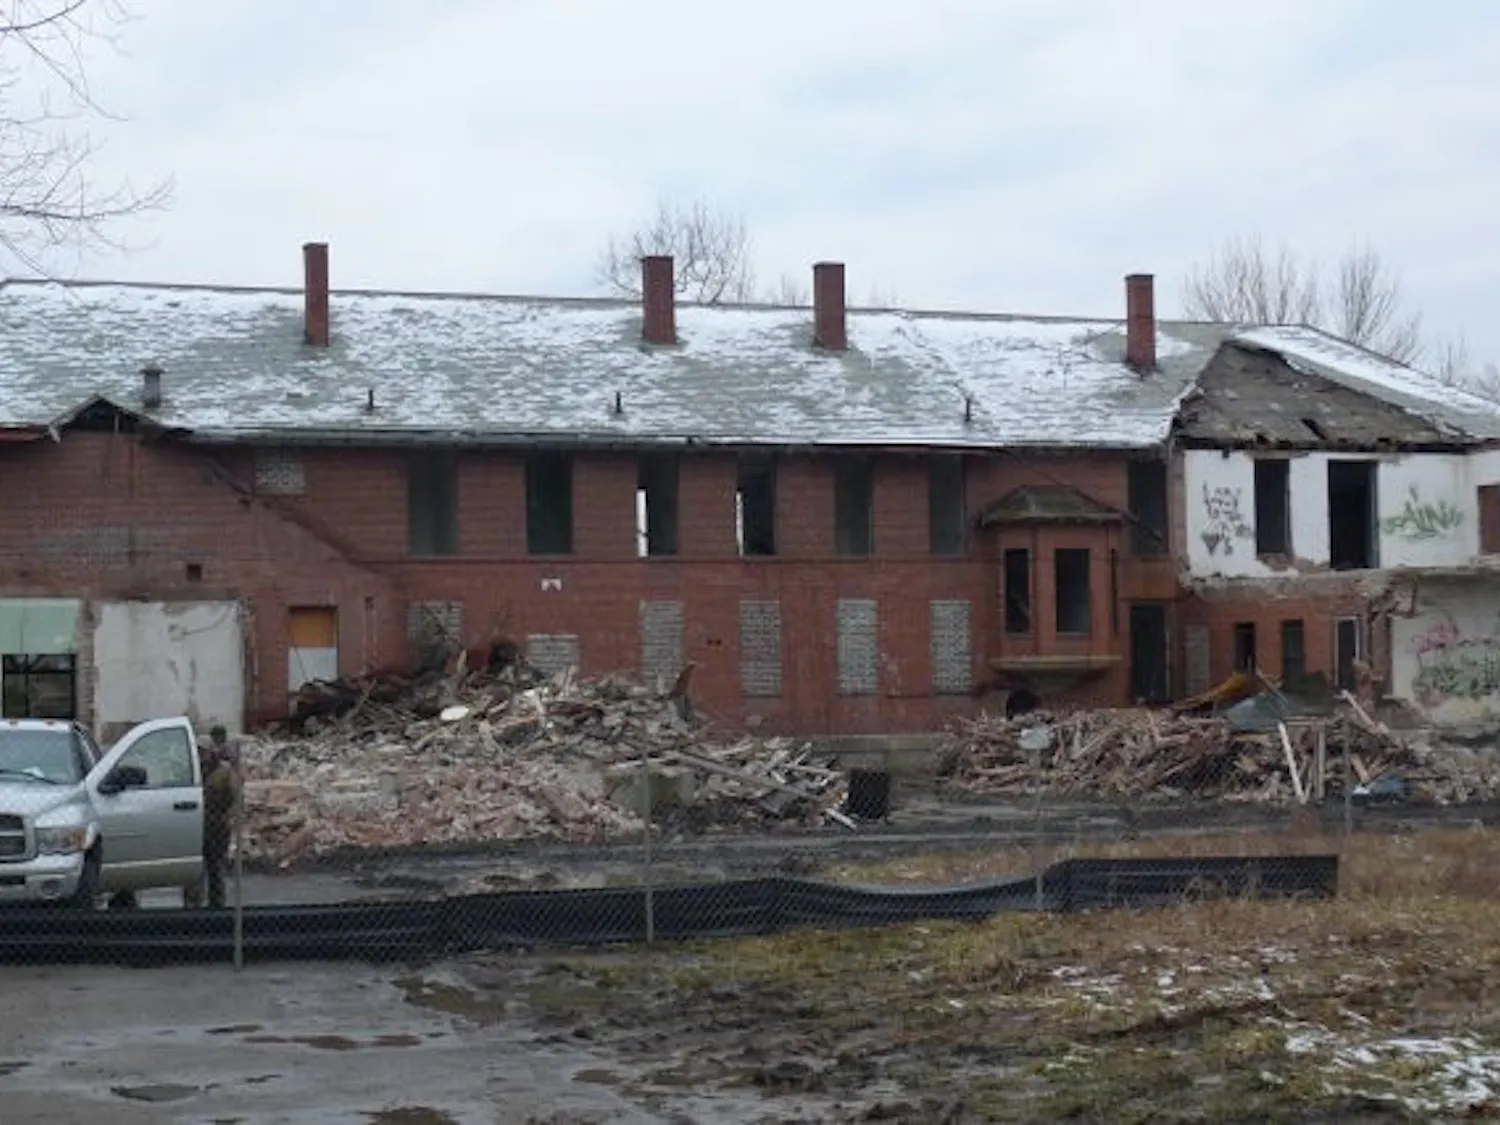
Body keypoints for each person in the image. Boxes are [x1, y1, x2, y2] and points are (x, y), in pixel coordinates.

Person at [185, 737, 239, 908]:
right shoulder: (192, 771)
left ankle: (217, 907)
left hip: (217, 827)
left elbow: (237, 798)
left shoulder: (225, 772)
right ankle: (192, 908)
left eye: (203, 751)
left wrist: (228, 817)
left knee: (216, 869)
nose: (201, 755)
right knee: (193, 871)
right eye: (198, 751)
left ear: (212, 752)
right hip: (195, 826)